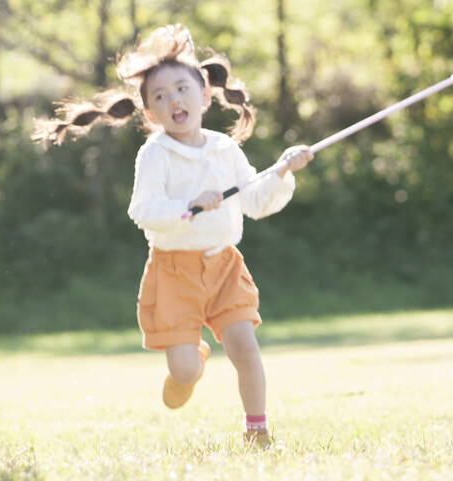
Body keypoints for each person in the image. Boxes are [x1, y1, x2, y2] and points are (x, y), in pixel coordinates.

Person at [32, 24, 312, 449]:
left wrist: (283, 171)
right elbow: (142, 211)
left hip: (224, 265)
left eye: (182, 89)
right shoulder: (156, 154)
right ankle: (192, 361)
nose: (174, 100)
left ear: (204, 96)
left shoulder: (224, 149)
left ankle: (256, 429)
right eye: (160, 96)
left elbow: (256, 201)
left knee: (244, 346)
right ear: (149, 114)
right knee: (183, 371)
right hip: (174, 271)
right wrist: (190, 207)